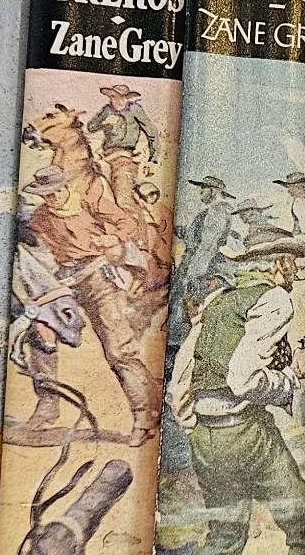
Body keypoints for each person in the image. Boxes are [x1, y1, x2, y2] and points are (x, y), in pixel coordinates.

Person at [154, 242, 305, 555]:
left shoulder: (216, 304)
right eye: (292, 263)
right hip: (248, 433)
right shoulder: (275, 300)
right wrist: (292, 378)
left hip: (207, 438)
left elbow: (179, 392)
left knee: (224, 535)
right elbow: (242, 379)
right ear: (278, 263)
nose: (294, 273)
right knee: (302, 527)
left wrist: (202, 429)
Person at [24, 164, 160, 443]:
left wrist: (114, 237)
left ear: (66, 187)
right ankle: (48, 404)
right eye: (47, 194)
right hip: (65, 282)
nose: (53, 198)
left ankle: (144, 416)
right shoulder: (40, 217)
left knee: (119, 349)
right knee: (41, 333)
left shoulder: (90, 201)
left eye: (56, 191)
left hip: (98, 279)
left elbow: (128, 222)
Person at [88, 84, 165, 206]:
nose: (114, 99)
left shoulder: (135, 110)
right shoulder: (107, 110)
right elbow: (91, 127)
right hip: (105, 154)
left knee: (122, 199)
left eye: (118, 96)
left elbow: (152, 133)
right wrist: (104, 123)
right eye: (112, 96)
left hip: (124, 157)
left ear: (126, 98)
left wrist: (153, 159)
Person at [176, 176, 235, 306]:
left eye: (204, 188)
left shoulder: (217, 212)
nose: (201, 192)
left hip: (201, 271)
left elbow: (208, 247)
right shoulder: (213, 212)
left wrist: (192, 275)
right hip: (197, 268)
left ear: (213, 190)